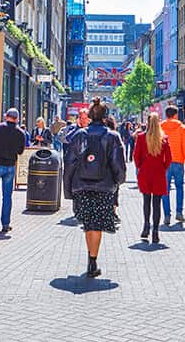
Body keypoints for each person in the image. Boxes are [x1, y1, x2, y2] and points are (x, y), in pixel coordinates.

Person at [64, 98, 126, 277]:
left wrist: (68, 190)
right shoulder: (113, 137)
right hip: (104, 186)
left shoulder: (79, 135)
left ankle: (90, 259)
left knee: (88, 223)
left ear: (90, 116)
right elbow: (118, 164)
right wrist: (118, 182)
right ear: (105, 116)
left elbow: (69, 163)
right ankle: (93, 259)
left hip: (82, 185)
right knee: (97, 224)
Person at [133, 113, 171, 243]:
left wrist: (140, 167)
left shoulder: (141, 137)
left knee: (146, 202)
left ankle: (146, 226)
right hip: (159, 173)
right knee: (157, 203)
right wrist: (163, 167)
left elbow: (136, 156)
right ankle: (155, 231)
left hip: (145, 173)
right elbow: (169, 159)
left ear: (148, 122)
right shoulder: (164, 138)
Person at [160, 105, 185, 226]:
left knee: (165, 190)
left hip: (164, 163)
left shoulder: (160, 127)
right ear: (175, 115)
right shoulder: (182, 128)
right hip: (178, 161)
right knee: (179, 188)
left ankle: (167, 215)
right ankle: (179, 212)